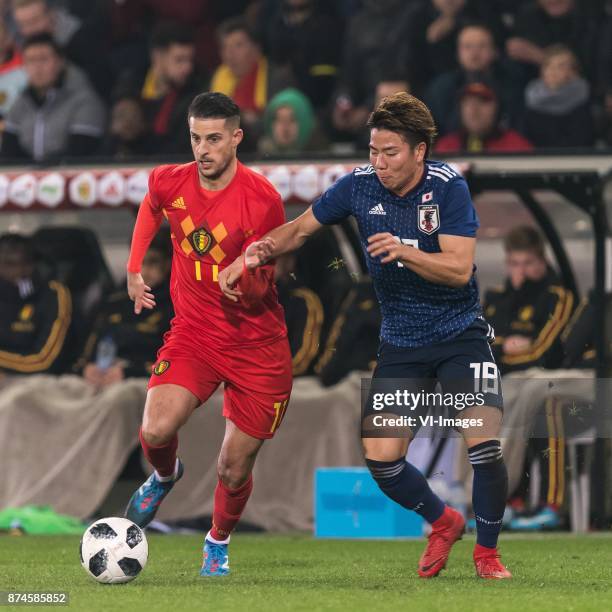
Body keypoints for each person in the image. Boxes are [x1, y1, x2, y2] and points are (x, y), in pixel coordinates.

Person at [219, 92, 512, 579]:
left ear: (420, 151)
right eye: (373, 151)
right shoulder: (358, 187)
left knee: (483, 443)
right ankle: (443, 521)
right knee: (382, 459)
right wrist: (254, 254)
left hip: (460, 333)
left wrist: (404, 251)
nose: (378, 162)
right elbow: (299, 229)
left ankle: (487, 554)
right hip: (401, 340)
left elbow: (460, 270)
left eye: (390, 152)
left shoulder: (448, 188)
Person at [123, 92, 292, 577]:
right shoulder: (169, 180)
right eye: (196, 137)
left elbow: (266, 280)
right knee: (155, 429)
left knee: (232, 468)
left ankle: (217, 541)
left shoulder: (262, 200)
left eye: (214, 139)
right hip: (194, 334)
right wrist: (135, 269)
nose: (203, 149)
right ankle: (164, 474)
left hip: (256, 347)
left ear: (236, 138)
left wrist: (245, 285)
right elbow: (151, 206)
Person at [483, 225, 574, 530]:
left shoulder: (556, 296)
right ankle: (506, 499)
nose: (519, 271)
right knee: (483, 397)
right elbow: (482, 345)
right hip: (506, 381)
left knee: (539, 402)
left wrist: (503, 351)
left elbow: (543, 355)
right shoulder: (498, 297)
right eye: (513, 264)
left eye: (527, 264)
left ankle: (550, 506)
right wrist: (505, 346)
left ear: (541, 260)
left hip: (549, 379)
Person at [78, 232, 173, 388]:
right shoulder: (114, 301)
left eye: (153, 262)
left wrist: (131, 372)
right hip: (103, 374)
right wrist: (86, 368)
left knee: (121, 395)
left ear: (168, 264)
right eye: (139, 261)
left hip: (145, 378)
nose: (144, 270)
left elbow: (177, 361)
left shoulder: (177, 306)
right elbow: (88, 347)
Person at [1, 33, 105, 161]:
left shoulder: (84, 101)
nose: (37, 67)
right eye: (31, 60)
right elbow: (8, 154)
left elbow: (80, 154)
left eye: (44, 59)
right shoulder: (19, 103)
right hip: (29, 179)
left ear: (61, 62)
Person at [114, 22, 203, 155]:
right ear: (158, 57)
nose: (188, 67)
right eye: (179, 60)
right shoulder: (131, 87)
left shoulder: (194, 97)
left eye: (190, 60)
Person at [425, 22, 524, 136]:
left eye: (482, 46)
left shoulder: (510, 84)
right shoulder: (440, 88)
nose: (474, 53)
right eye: (467, 47)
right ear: (458, 53)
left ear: (494, 52)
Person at [0, 232, 72, 375]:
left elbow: (44, 361)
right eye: (8, 264)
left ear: (33, 264)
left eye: (23, 263)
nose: (18, 270)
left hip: (40, 381)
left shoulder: (53, 294)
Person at [11, 0, 111, 98]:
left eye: (35, 21)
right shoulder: (23, 48)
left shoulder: (82, 41)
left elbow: (101, 85)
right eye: (24, 24)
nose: (31, 30)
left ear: (51, 15)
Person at [523, 45, 594, 148]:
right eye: (548, 65)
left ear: (573, 72)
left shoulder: (582, 102)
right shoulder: (531, 100)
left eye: (561, 66)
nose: (553, 71)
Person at [435, 82, 533, 153]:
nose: (474, 110)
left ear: (499, 109)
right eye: (467, 103)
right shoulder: (446, 147)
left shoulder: (517, 146)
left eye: (483, 102)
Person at [258, 88, 327, 155]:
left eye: (291, 120)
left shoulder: (322, 156)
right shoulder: (260, 155)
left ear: (304, 123)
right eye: (280, 119)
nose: (285, 126)